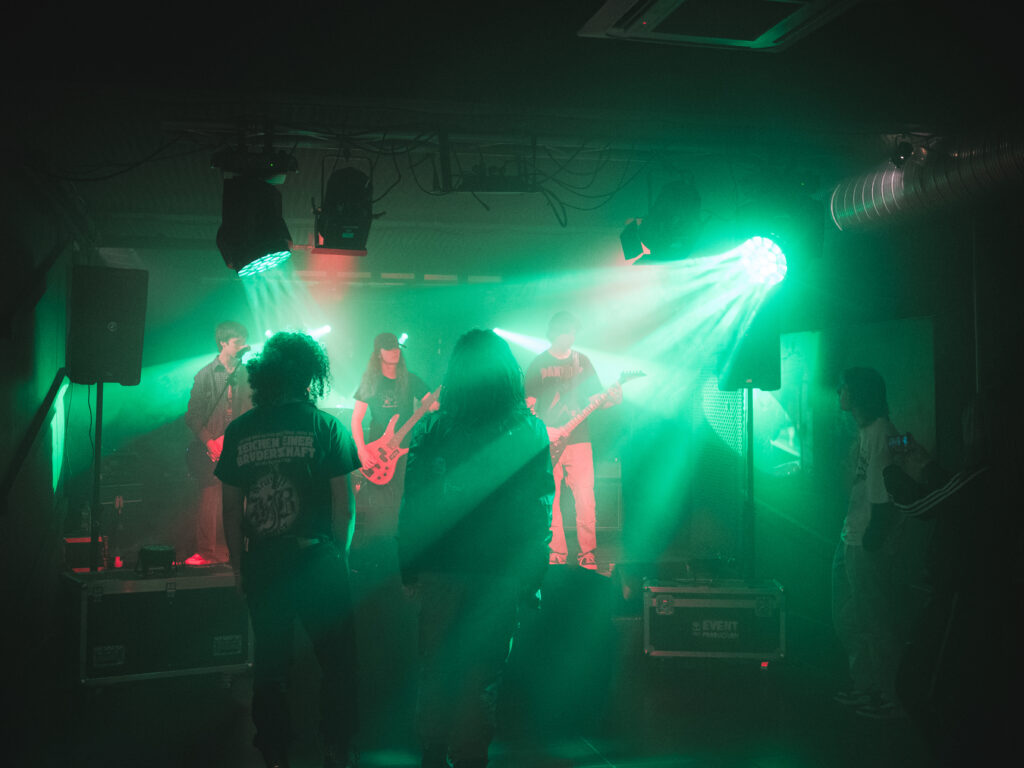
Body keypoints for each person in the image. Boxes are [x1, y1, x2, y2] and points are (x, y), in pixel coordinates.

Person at [398, 329, 554, 768]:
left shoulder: (433, 427)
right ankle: (470, 758)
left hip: (442, 567)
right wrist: (532, 576)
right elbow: (539, 507)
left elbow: (414, 503)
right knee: (481, 675)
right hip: (500, 571)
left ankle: (433, 756)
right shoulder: (530, 429)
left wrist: (408, 566)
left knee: (437, 668)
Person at [216, 332, 361, 768]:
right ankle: (336, 749)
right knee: (337, 663)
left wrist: (238, 567)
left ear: (264, 376)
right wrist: (339, 557)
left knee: (271, 667)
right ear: (309, 374)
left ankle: (275, 754)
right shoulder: (326, 426)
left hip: (265, 562)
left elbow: (231, 509)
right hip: (317, 558)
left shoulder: (240, 429)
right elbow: (344, 505)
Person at [883, 384, 1021, 764]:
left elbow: (923, 506)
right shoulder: (1001, 474)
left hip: (961, 600)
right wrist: (923, 463)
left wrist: (889, 473)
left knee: (919, 685)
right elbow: (953, 494)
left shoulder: (980, 474)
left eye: (970, 419)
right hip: (988, 598)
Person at [831, 366, 905, 719]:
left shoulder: (879, 432)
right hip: (854, 536)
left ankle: (891, 696)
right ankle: (868, 687)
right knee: (851, 617)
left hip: (865, 540)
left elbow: (883, 496)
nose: (839, 392)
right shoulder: (869, 432)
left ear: (858, 393)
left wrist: (873, 540)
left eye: (844, 387)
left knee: (874, 620)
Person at [524, 311, 620, 570]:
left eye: (575, 332)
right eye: (569, 331)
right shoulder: (539, 363)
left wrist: (613, 399)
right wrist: (544, 430)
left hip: (579, 439)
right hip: (548, 440)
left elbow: (596, 400)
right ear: (556, 332)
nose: (572, 336)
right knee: (551, 498)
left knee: (586, 497)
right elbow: (528, 405)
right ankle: (556, 552)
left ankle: (588, 553)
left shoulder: (582, 361)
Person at [351, 332, 435, 535]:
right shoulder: (370, 382)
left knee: (401, 501)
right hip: (378, 455)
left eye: (397, 347)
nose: (395, 351)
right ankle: (376, 541)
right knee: (377, 506)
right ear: (379, 353)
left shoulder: (411, 380)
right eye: (389, 348)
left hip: (406, 452)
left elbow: (434, 406)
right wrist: (362, 451)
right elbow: (356, 419)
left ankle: (399, 539)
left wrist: (433, 405)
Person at [183, 320, 252, 566]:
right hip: (213, 446)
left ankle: (245, 551)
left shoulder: (248, 374)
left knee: (245, 496)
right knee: (209, 495)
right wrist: (210, 442)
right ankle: (206, 552)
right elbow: (192, 416)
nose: (242, 347)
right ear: (223, 343)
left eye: (244, 342)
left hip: (241, 444)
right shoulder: (205, 375)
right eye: (237, 343)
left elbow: (254, 409)